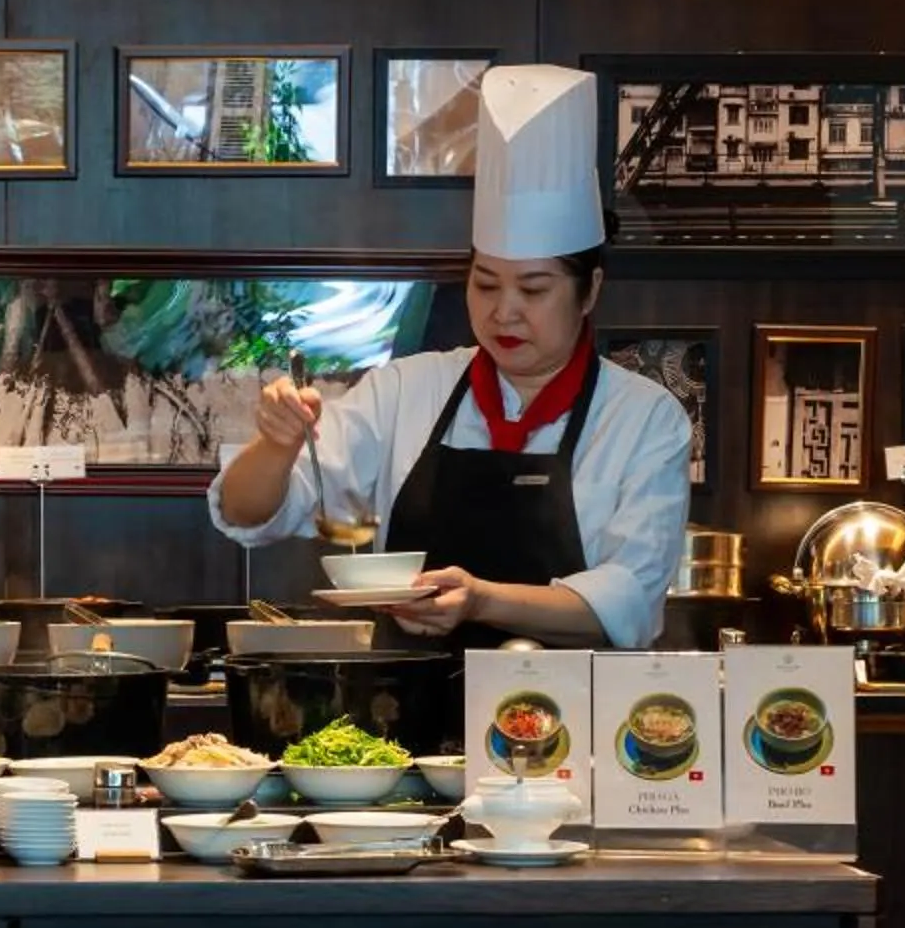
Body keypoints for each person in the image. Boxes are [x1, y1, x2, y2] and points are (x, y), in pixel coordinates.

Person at [209, 65, 690, 650]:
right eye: (485, 284)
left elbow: (630, 599)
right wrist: (277, 445)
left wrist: (482, 600)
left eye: (534, 290)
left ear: (589, 291)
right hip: (405, 700)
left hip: (563, 705)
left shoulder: (644, 418)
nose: (504, 312)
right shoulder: (405, 391)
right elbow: (249, 513)